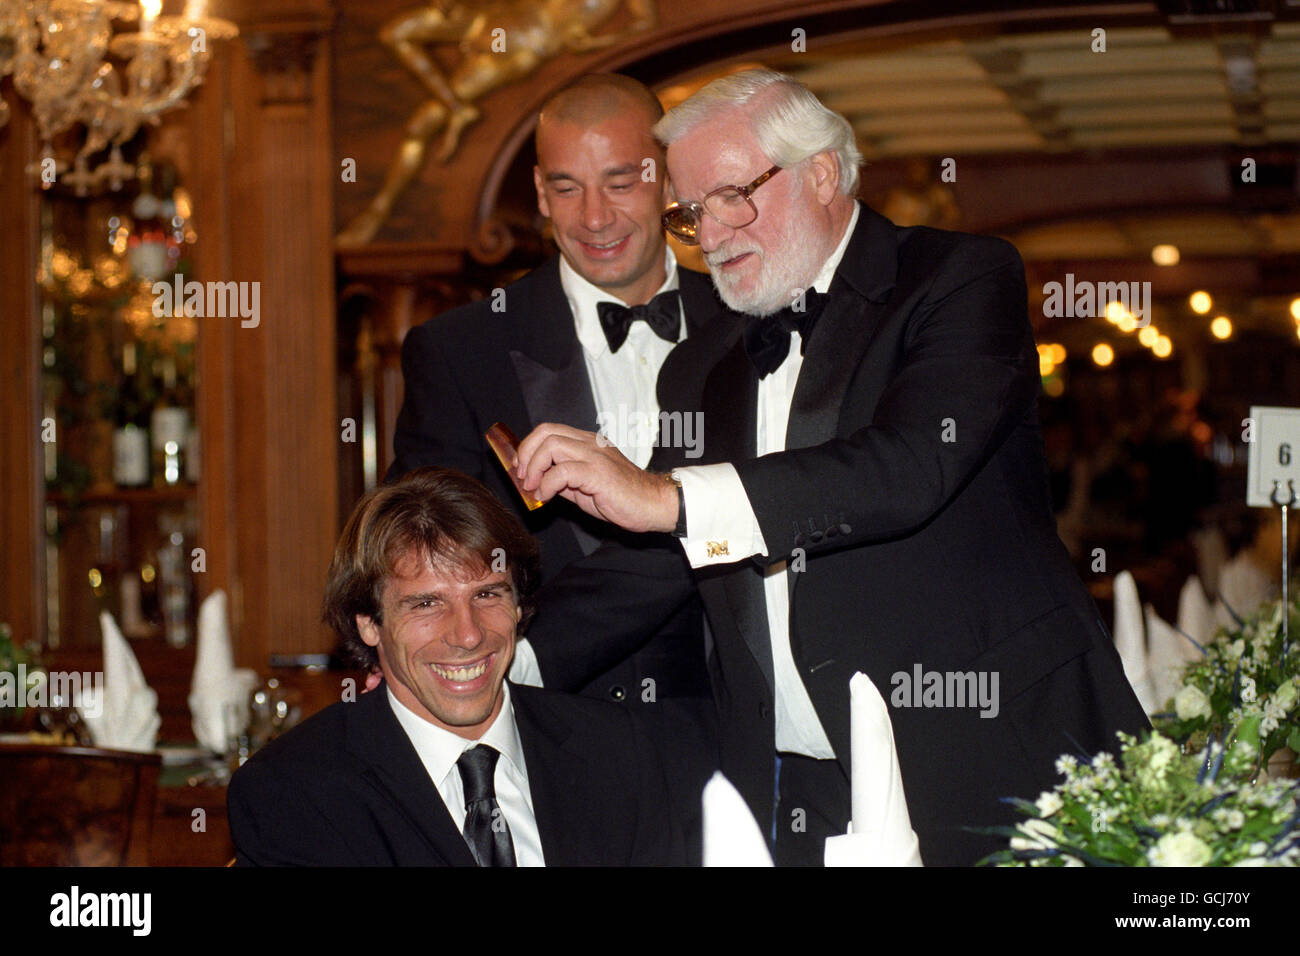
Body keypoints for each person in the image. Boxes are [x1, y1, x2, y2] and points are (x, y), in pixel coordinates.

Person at [515, 68, 1149, 866]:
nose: (710, 236)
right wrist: (502, 648)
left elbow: (910, 467)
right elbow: (657, 557)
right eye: (690, 212)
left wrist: (671, 497)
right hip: (798, 790)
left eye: (732, 196)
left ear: (820, 172)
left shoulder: (957, 279)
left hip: (989, 756)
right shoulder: (703, 365)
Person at [386, 73, 724, 708]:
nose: (595, 218)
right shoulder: (462, 349)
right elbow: (421, 541)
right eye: (567, 188)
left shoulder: (749, 325)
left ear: (669, 180)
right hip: (545, 721)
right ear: (540, 193)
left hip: (737, 724)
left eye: (621, 183)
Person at [227, 467, 691, 866]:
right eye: (426, 604)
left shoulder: (620, 752)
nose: (468, 635)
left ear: (518, 605)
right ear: (369, 623)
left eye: (487, 594)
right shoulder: (295, 792)